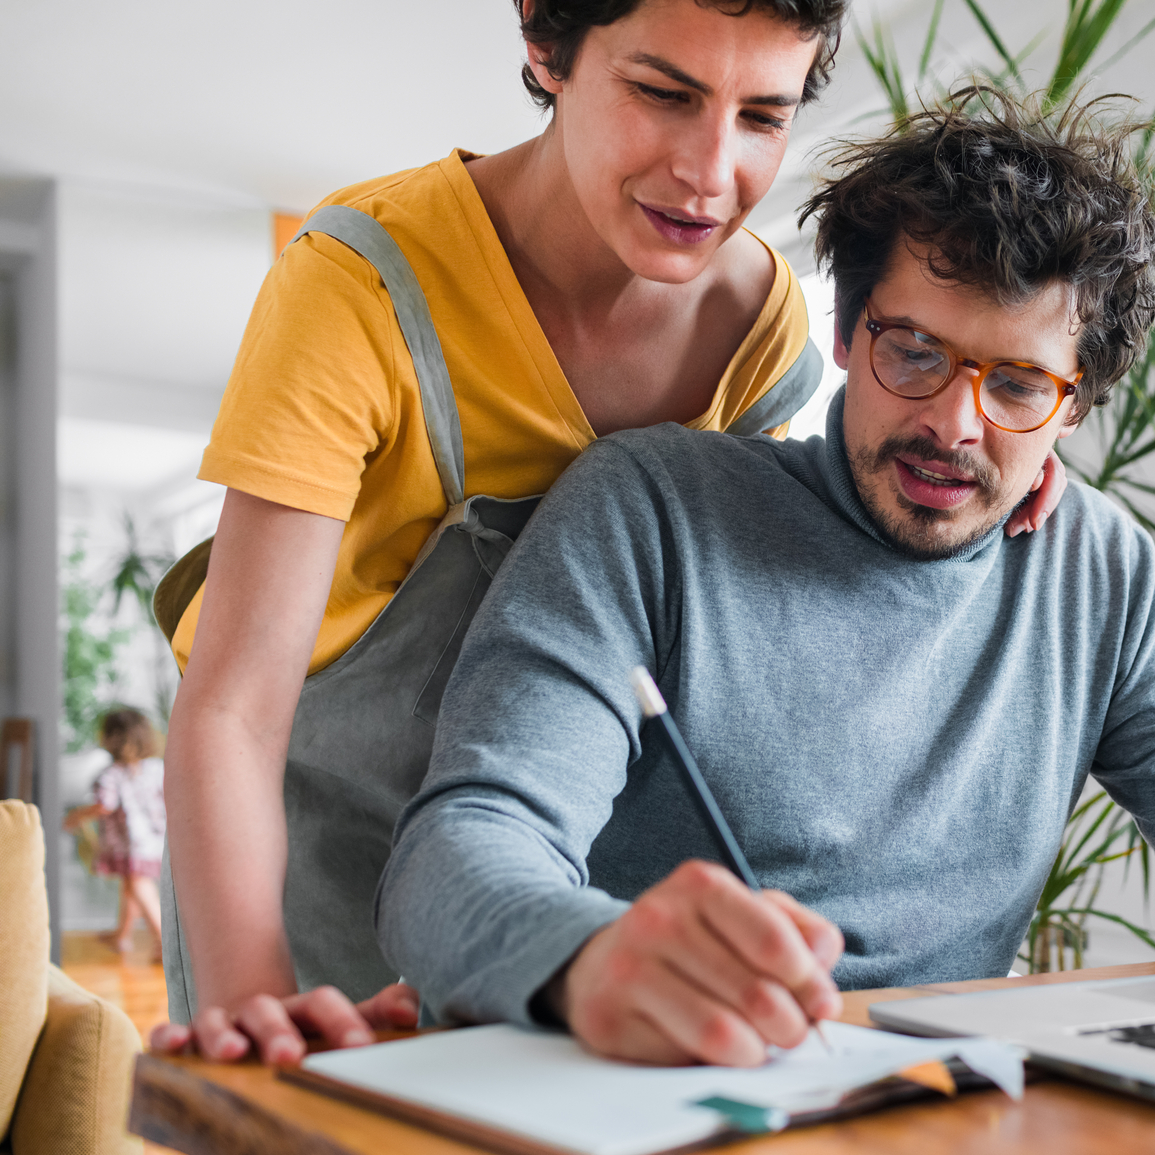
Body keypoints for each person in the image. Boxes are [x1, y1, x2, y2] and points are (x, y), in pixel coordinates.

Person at [152, 0, 1075, 1068]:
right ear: (546, 47)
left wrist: (996, 443)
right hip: (298, 851)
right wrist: (255, 1003)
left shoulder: (759, 326)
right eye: (662, 93)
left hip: (535, 879)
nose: (708, 170)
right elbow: (232, 711)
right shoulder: (358, 284)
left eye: (761, 116)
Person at [377, 89, 1155, 1068]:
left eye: (1018, 386)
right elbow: (456, 852)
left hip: (935, 1114)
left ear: (1073, 409)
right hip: (668, 1089)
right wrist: (587, 957)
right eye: (913, 354)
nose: (952, 424)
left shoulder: (1095, 572)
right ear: (846, 336)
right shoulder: (653, 512)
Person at [64, 709, 167, 957]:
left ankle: (162, 940)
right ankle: (123, 934)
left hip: (129, 842)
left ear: (110, 739)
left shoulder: (110, 775)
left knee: (140, 885)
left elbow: (104, 805)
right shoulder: (155, 767)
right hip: (154, 839)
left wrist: (77, 816)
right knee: (130, 886)